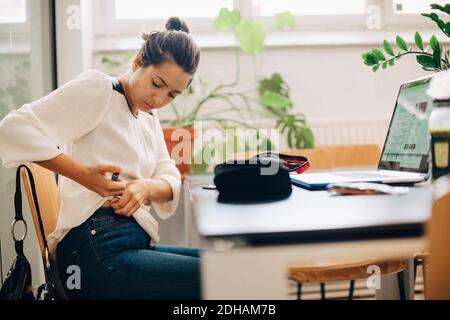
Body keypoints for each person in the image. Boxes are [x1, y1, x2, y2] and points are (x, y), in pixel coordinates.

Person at [0, 17, 201, 300]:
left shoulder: (148, 115)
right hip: (95, 248)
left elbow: (169, 175)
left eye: (172, 94)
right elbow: (11, 129)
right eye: (157, 83)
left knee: (228, 268)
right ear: (139, 60)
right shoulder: (101, 90)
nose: (159, 99)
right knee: (219, 277)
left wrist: (145, 188)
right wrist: (82, 175)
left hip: (131, 241)